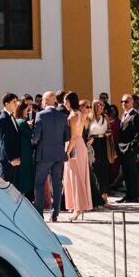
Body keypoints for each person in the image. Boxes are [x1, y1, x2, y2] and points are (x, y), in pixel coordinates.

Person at [30, 92, 69, 221]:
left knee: (39, 183)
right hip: (58, 154)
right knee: (57, 184)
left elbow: (36, 138)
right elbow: (67, 137)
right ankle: (54, 213)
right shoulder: (62, 116)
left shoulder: (41, 115)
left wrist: (31, 141)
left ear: (45, 101)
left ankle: (39, 212)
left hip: (44, 155)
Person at [61, 93, 93, 221]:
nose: (64, 103)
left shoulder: (73, 115)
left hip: (74, 146)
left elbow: (73, 136)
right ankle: (78, 206)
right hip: (79, 145)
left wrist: (67, 151)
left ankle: (78, 208)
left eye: (65, 101)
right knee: (78, 176)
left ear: (69, 101)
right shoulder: (80, 114)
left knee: (76, 177)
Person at [0, 93, 23, 187]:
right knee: (5, 186)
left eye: (16, 102)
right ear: (6, 104)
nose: (17, 104)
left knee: (12, 187)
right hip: (7, 160)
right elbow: (4, 141)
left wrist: (17, 157)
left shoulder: (11, 116)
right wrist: (11, 159)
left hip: (14, 158)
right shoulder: (3, 118)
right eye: (14, 102)